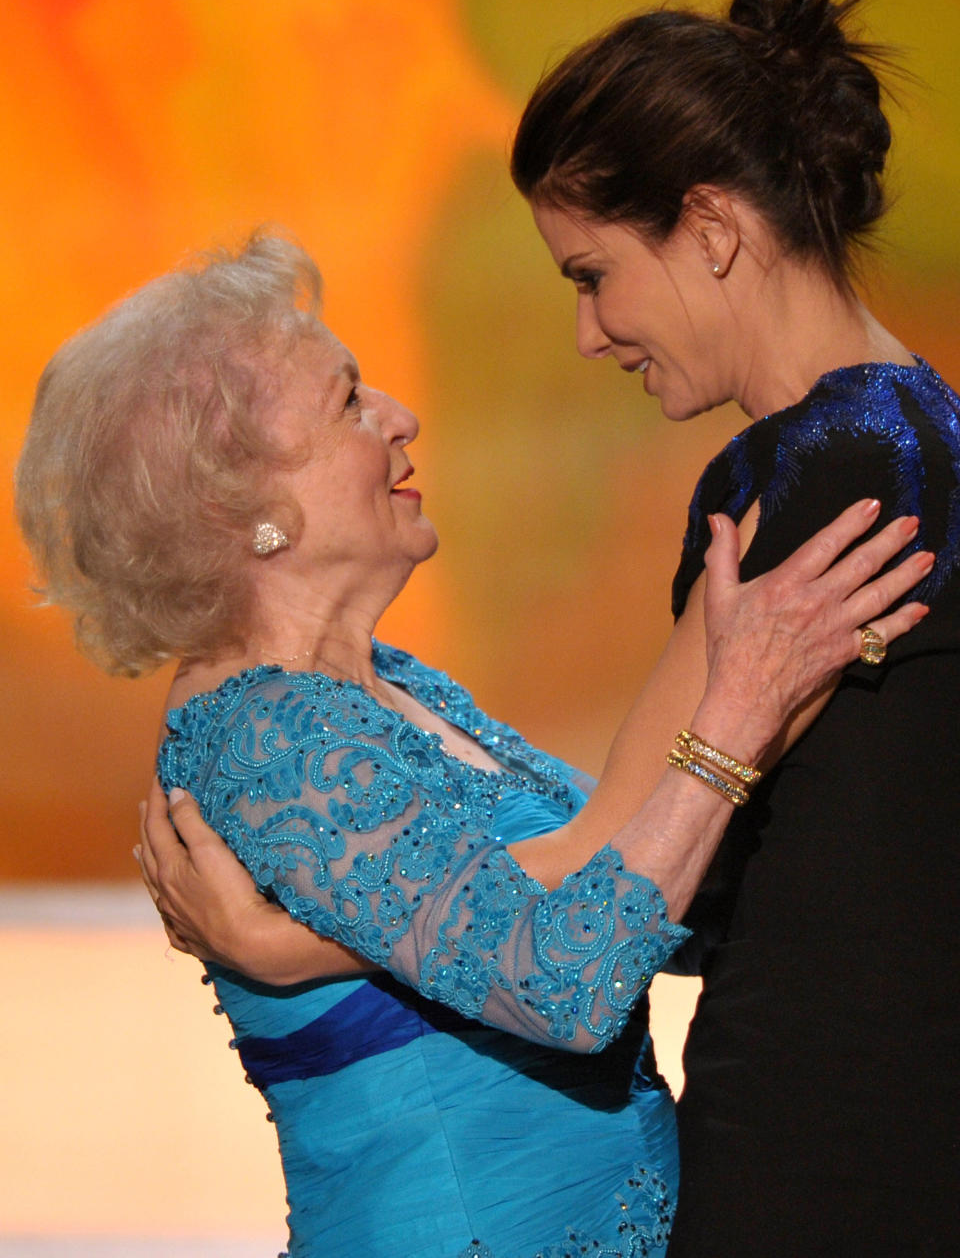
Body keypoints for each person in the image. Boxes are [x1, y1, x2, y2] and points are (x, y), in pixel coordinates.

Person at [15, 233, 925, 1258]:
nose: (400, 418)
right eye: (349, 402)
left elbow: (645, 895)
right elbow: (566, 981)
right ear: (244, 509)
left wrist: (294, 943)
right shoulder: (258, 737)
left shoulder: (402, 691)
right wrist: (740, 706)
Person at [509, 0, 960, 1258]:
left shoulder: (850, 467)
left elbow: (620, 850)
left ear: (710, 226)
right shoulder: (852, 445)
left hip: (845, 1156)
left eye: (594, 274)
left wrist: (279, 919)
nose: (590, 334)